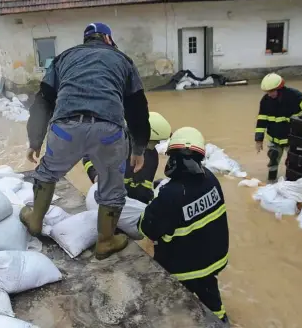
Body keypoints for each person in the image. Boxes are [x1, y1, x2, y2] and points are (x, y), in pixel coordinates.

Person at [21, 22, 151, 260]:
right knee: (112, 186)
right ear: (108, 40)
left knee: (47, 173)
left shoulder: (64, 58)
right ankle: (105, 241)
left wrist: (35, 140)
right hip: (109, 130)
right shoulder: (123, 60)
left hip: (65, 128)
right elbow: (137, 107)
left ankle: (35, 221)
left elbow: (43, 101)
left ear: (86, 40)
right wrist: (139, 147)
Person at [137, 127, 230, 325]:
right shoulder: (211, 179)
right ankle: (222, 321)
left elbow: (146, 228)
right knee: (211, 299)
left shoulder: (170, 195)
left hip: (184, 267)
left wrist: (154, 202)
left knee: (174, 309)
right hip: (214, 258)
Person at [82, 111, 171, 204]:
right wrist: (96, 176)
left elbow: (145, 185)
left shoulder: (153, 156)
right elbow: (88, 156)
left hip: (132, 203)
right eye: (155, 141)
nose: (157, 144)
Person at [255, 73, 302, 183]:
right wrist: (258, 139)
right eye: (267, 92)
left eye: (271, 91)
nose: (269, 94)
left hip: (292, 139)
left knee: (293, 162)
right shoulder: (265, 101)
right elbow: (261, 120)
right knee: (273, 159)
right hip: (274, 139)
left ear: (279, 88)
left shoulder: (293, 95)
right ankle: (271, 181)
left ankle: (292, 182)